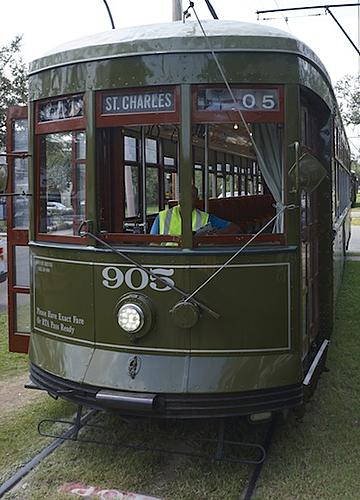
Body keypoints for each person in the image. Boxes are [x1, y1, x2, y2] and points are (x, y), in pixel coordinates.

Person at [150, 186, 238, 235]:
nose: (187, 200)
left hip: (196, 258)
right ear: (179, 199)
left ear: (197, 200)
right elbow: (152, 243)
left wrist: (216, 233)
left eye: (191, 197)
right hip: (167, 259)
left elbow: (235, 228)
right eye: (184, 196)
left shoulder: (206, 218)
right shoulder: (161, 217)